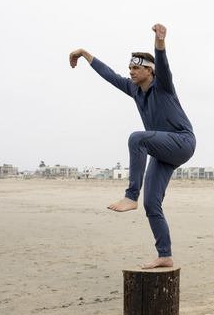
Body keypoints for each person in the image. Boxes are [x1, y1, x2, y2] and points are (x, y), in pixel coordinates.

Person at [69, 24, 196, 269]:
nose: (130, 72)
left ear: (149, 71)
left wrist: (160, 41)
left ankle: (130, 196)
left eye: (135, 68)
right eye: (129, 68)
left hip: (182, 141)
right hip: (163, 151)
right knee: (152, 204)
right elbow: (109, 75)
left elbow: (163, 61)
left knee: (137, 137)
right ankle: (165, 254)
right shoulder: (134, 89)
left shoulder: (163, 85)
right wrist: (85, 54)